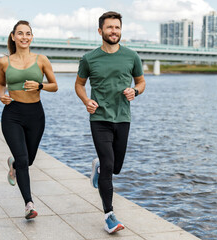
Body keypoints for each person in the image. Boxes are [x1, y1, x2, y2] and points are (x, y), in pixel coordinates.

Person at [75, 11, 146, 234]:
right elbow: (79, 85)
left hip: (123, 117)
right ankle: (109, 216)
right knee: (108, 165)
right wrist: (86, 100)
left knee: (115, 167)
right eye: (109, 27)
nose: (114, 31)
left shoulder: (131, 56)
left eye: (117, 27)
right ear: (100, 31)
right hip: (99, 118)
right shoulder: (89, 58)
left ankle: (98, 166)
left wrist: (135, 91)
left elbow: (142, 82)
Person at [0, 20, 58, 219]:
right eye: (20, 33)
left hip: (35, 115)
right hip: (12, 114)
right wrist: (1, 96)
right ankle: (29, 204)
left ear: (32, 37)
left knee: (28, 160)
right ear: (13, 36)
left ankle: (13, 164)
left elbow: (54, 85)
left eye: (28, 33)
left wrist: (40, 86)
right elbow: (0, 84)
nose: (24, 37)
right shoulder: (4, 61)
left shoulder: (41, 59)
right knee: (24, 160)